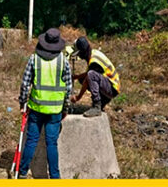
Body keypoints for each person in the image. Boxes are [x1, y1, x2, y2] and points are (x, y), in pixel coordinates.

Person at [17, 28, 72, 179]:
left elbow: (25, 84)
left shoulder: (34, 59)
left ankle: (22, 172)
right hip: (55, 110)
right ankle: (55, 177)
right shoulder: (64, 62)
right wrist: (65, 109)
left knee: (32, 141)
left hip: (36, 108)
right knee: (52, 144)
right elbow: (69, 88)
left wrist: (22, 103)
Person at [69, 36, 120, 118]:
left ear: (82, 52)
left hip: (112, 88)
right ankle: (102, 103)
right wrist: (76, 77)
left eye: (79, 54)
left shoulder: (94, 61)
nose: (79, 57)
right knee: (83, 78)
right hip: (109, 85)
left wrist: (78, 97)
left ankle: (97, 106)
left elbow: (88, 78)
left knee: (90, 75)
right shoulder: (93, 53)